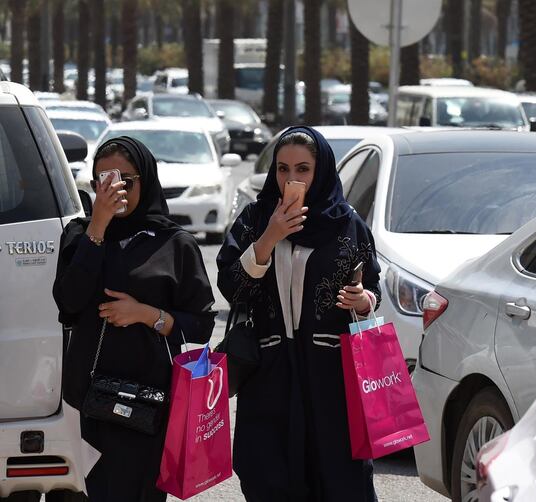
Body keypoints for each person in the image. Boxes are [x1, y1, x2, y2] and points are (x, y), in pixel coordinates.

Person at [217, 126, 381, 501]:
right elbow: (232, 287)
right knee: (268, 476)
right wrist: (269, 238)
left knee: (340, 479)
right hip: (269, 373)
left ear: (321, 171)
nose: (291, 179)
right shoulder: (255, 220)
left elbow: (373, 287)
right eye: (282, 169)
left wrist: (362, 300)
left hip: (332, 379)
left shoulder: (347, 224)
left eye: (303, 170)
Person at [53, 136, 216, 501]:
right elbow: (68, 303)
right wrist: (98, 227)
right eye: (104, 179)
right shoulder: (80, 236)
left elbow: (201, 325)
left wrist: (146, 314)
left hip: (151, 402)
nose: (116, 189)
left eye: (127, 179)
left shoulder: (175, 244)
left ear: (146, 179)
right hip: (92, 400)